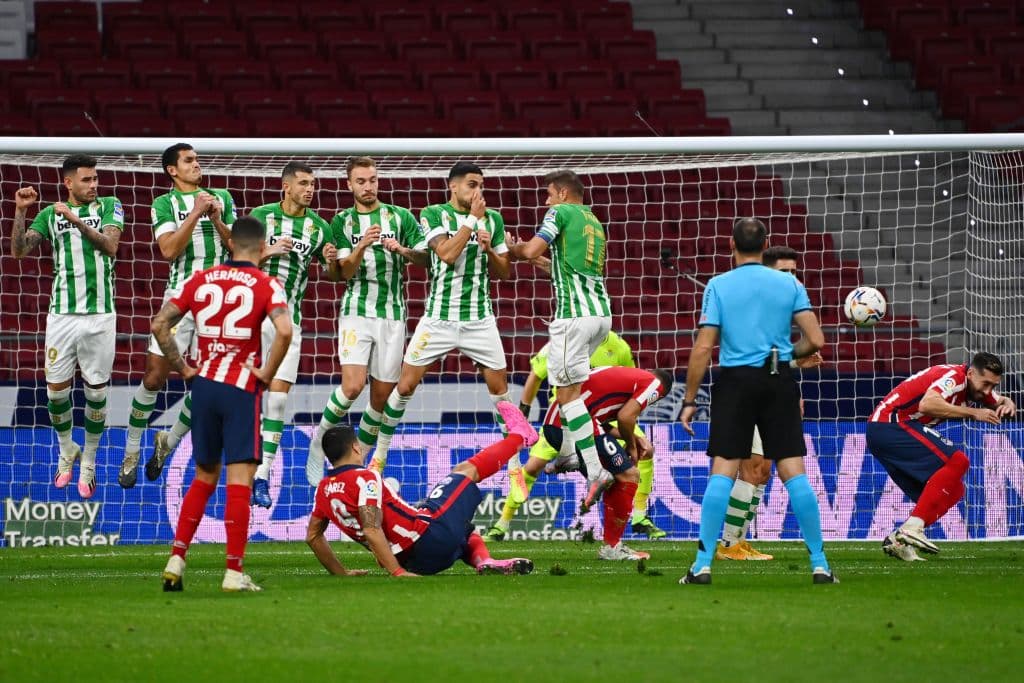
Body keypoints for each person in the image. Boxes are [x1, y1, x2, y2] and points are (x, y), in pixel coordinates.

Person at [679, 218, 836, 585]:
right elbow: (816, 339)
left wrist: (689, 399)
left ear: (732, 246)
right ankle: (820, 564)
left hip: (735, 381)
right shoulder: (789, 283)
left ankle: (702, 565)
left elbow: (704, 347)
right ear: (765, 245)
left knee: (723, 470)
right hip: (776, 379)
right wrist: (784, 356)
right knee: (793, 472)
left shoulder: (718, 285)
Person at [156, 216, 292, 592]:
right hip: (240, 388)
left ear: (230, 244)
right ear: (262, 247)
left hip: (203, 386)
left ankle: (176, 560)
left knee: (203, 476)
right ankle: (233, 571)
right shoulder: (267, 284)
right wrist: (266, 372)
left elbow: (158, 324)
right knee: (239, 480)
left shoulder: (199, 279)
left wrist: (183, 367)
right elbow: (284, 330)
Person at [366, 162, 512, 473]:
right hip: (438, 319)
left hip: (479, 320)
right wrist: (472, 221)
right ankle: (378, 458)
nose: (478, 192)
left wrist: (488, 251)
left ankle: (514, 469)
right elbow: (445, 253)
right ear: (454, 186)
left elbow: (504, 271)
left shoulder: (494, 219)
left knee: (501, 392)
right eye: (472, 185)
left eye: (481, 186)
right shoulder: (433, 214)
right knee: (404, 387)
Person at [118, 142, 236, 488]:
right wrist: (196, 213)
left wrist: (215, 217)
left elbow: (234, 247)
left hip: (219, 302)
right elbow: (168, 250)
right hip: (181, 298)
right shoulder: (164, 203)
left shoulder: (222, 198)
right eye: (189, 160)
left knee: (207, 386)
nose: (197, 164)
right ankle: (131, 450)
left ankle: (166, 443)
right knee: (154, 378)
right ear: (172, 170)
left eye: (197, 158)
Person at [306, 402, 537, 577]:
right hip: (428, 537)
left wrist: (342, 574)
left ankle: (484, 561)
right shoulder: (365, 478)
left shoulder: (323, 490)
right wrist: (397, 573)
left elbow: (313, 537)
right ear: (356, 448)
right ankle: (521, 436)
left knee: (464, 528)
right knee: (465, 471)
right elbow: (371, 529)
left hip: (417, 561)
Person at [305, 157, 428, 485]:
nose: (368, 186)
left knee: (380, 398)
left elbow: (427, 258)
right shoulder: (341, 222)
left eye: (372, 179)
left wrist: (401, 250)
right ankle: (319, 443)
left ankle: (358, 462)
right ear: (349, 185)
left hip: (392, 316)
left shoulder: (399, 216)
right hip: (356, 313)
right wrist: (360, 246)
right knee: (353, 385)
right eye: (361, 181)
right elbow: (341, 274)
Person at [9, 155, 123, 498]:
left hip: (101, 316)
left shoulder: (110, 205)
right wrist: (20, 211)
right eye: (86, 180)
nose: (94, 185)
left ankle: (88, 460)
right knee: (55, 393)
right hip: (61, 316)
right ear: (68, 183)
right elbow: (18, 251)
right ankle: (65, 450)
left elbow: (110, 245)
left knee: (96, 395)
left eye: (95, 179)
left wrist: (74, 219)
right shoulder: (49, 214)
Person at [484, 332, 668, 541]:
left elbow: (632, 389)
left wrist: (632, 439)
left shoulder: (619, 346)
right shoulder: (566, 341)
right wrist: (523, 411)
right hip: (565, 411)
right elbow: (536, 375)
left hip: (603, 413)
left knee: (647, 450)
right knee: (533, 467)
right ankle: (502, 524)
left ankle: (639, 516)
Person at [508, 170, 614, 509]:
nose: (546, 201)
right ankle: (569, 452)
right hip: (601, 317)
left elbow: (532, 250)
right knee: (569, 390)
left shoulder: (560, 213)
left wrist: (513, 248)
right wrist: (518, 251)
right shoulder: (593, 222)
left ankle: (595, 470)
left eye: (549, 194)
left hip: (574, 318)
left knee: (568, 396)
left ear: (565, 194)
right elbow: (554, 266)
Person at [717, 245, 822, 561]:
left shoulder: (780, 307)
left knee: (761, 472)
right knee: (752, 467)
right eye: (784, 272)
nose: (792, 278)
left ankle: (738, 540)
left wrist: (794, 387)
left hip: (771, 393)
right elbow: (752, 358)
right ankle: (728, 544)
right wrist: (795, 360)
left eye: (794, 272)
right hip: (746, 395)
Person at [867, 352, 1015, 561]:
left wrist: (1008, 403)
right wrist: (974, 413)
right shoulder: (953, 377)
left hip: (885, 433)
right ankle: (912, 528)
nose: (988, 391)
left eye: (993, 385)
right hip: (890, 425)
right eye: (986, 384)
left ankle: (899, 540)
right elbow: (927, 405)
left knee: (954, 491)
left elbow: (999, 400)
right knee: (958, 461)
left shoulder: (976, 387)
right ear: (971, 373)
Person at [530, 366, 673, 560]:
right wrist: (632, 446)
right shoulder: (654, 384)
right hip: (578, 427)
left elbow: (602, 421)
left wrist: (636, 440)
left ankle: (584, 471)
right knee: (630, 475)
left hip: (556, 426)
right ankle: (612, 546)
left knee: (616, 478)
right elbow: (625, 417)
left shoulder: (622, 376)